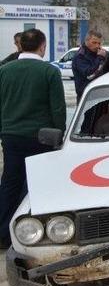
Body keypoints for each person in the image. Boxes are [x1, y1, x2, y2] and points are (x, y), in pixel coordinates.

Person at [0, 29, 66, 249]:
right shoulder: (49, 72)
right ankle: (27, 232)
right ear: (42, 46)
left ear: (20, 45)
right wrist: (59, 134)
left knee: (9, 183)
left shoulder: (5, 70)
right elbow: (57, 108)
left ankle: (3, 232)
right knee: (34, 186)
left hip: (11, 136)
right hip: (41, 137)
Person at [72, 30, 109, 101]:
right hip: (86, 96)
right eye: (94, 42)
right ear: (86, 41)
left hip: (102, 94)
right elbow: (89, 74)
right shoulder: (80, 56)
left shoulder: (104, 54)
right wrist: (99, 58)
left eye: (99, 43)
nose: (97, 46)